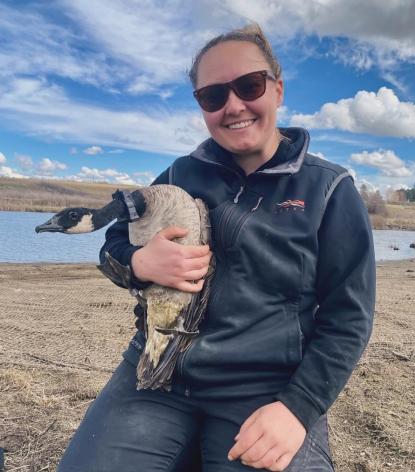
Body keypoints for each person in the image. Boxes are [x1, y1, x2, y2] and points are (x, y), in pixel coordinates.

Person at [57, 23, 375, 472]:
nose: (234, 106)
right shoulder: (178, 175)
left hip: (265, 389)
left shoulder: (330, 189)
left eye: (249, 85)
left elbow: (350, 318)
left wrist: (298, 408)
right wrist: (141, 262)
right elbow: (112, 240)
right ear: (201, 106)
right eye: (213, 96)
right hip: (155, 375)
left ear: (278, 89)